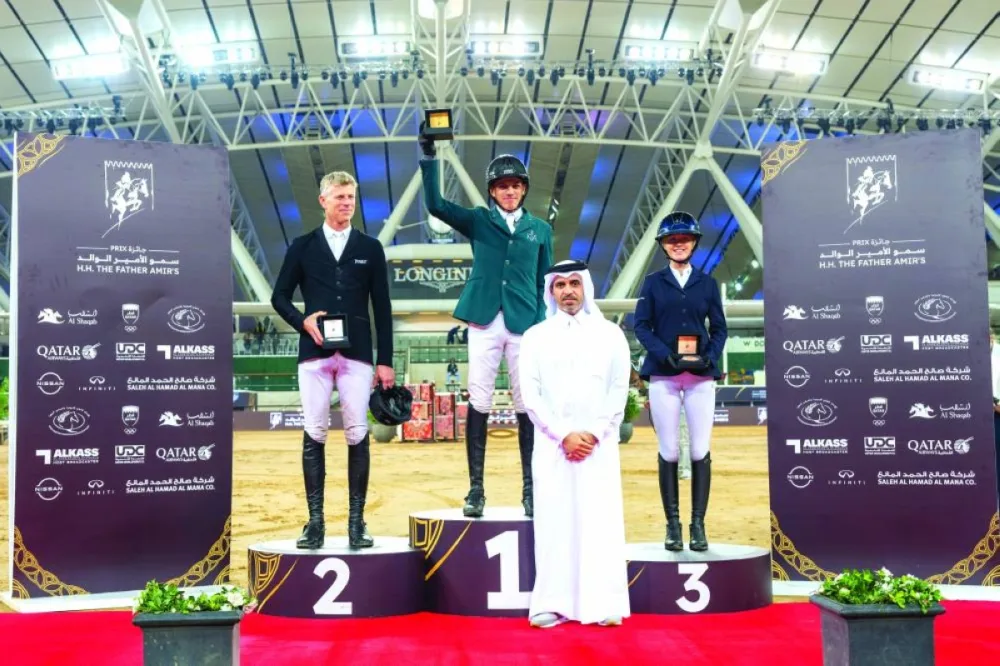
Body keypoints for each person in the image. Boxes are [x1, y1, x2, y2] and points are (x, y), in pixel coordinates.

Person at [419, 133, 553, 518]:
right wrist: (430, 157)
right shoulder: (479, 220)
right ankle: (476, 489)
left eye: (515, 185)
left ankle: (531, 488)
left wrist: (544, 326)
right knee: (478, 399)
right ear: (492, 191)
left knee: (526, 402)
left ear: (523, 189)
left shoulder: (540, 230)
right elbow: (436, 204)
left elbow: (547, 283)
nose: (509, 191)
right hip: (484, 319)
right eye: (501, 186)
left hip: (525, 322)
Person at [271, 170, 395, 550]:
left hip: (357, 352)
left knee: (358, 432)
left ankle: (357, 522)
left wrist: (385, 360)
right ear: (323, 200)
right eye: (340, 197)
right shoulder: (303, 246)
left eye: (351, 198)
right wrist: (301, 321)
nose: (347, 204)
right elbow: (279, 297)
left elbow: (383, 307)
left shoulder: (370, 247)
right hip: (313, 353)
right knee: (315, 432)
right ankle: (316, 523)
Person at [519, 260, 632, 628]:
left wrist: (595, 433)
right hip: (553, 447)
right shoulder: (535, 336)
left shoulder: (610, 334)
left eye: (574, 284)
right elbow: (530, 395)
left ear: (585, 288)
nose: (567, 291)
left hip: (598, 448)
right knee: (554, 523)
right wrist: (563, 434)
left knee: (599, 522)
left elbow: (619, 388)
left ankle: (603, 603)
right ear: (551, 292)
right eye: (560, 285)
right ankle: (551, 603)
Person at [635, 211, 727, 552]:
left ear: (694, 243)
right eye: (672, 240)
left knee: (700, 449)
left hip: (700, 375)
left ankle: (698, 525)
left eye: (684, 239)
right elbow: (642, 325)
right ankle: (672, 525)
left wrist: (710, 357)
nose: (678, 244)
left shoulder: (708, 283)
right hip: (664, 374)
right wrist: (663, 355)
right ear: (664, 245)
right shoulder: (653, 282)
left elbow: (719, 328)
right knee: (670, 449)